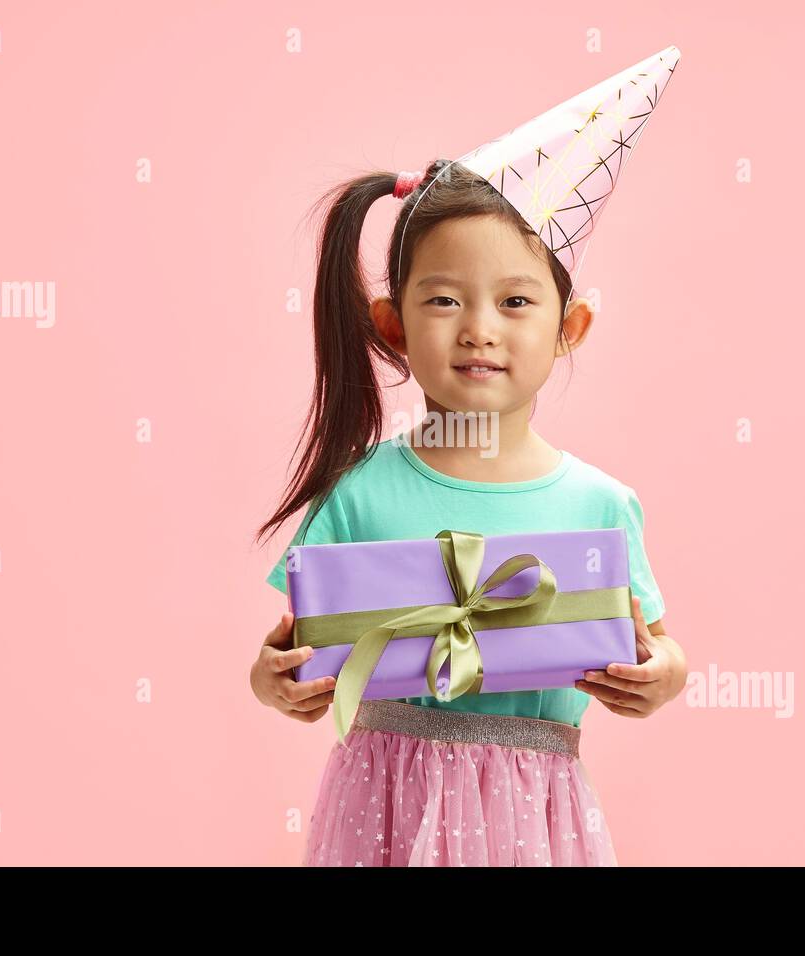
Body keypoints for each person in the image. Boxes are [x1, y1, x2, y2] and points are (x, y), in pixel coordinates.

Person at [251, 47, 687, 865]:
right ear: (393, 326)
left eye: (516, 301)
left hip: (534, 809)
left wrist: (660, 673)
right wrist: (275, 681)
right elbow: (288, 650)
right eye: (445, 300)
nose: (480, 327)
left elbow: (657, 642)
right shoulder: (358, 492)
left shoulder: (599, 504)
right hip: (382, 801)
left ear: (568, 329)